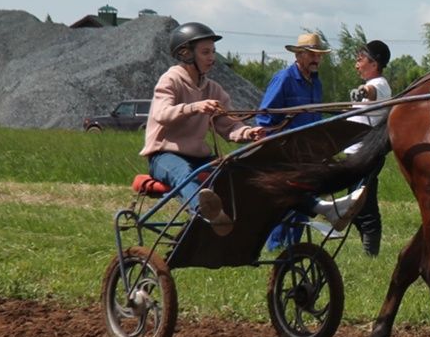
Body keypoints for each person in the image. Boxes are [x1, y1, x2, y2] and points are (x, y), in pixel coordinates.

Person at [140, 22, 266, 235]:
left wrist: (248, 132)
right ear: (186, 54)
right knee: (185, 174)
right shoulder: (170, 79)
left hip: (199, 157)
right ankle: (207, 212)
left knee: (235, 173)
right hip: (164, 155)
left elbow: (228, 124)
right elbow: (161, 114)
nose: (212, 58)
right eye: (205, 52)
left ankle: (240, 217)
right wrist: (194, 107)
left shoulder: (212, 89)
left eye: (213, 52)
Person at [255, 32, 357, 248]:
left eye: (319, 55)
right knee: (285, 201)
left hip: (308, 154)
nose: (316, 59)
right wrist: (275, 148)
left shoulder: (316, 84)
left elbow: (316, 120)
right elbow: (264, 118)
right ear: (299, 55)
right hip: (285, 153)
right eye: (311, 54)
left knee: (302, 199)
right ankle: (275, 247)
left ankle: (293, 247)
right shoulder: (284, 79)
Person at [339, 39, 392, 256]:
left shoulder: (379, 84)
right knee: (355, 205)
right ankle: (369, 252)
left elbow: (370, 91)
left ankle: (371, 255)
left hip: (367, 155)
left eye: (360, 60)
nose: (356, 64)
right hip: (357, 154)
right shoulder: (375, 83)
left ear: (374, 63)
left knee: (363, 206)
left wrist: (362, 91)